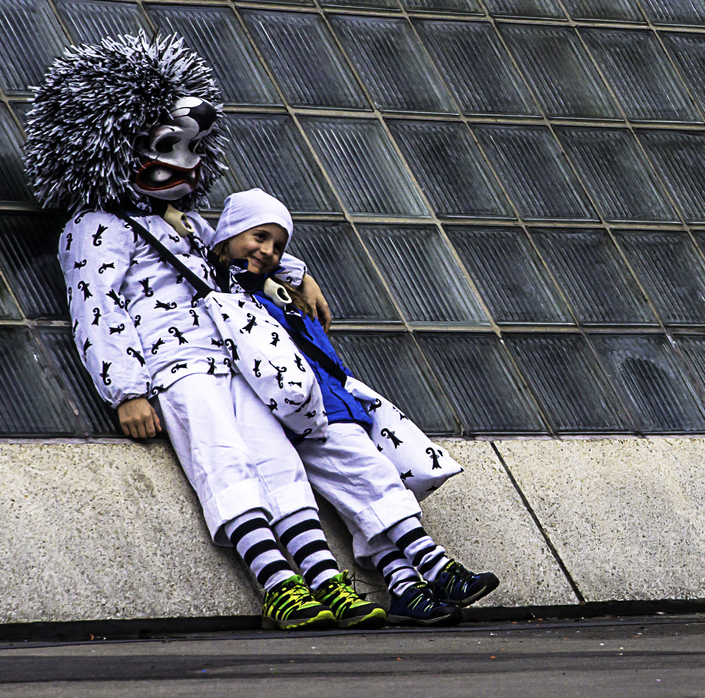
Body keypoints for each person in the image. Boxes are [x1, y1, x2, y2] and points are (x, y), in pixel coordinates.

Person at [28, 34, 464, 630]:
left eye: (190, 148)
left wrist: (297, 271)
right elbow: (95, 308)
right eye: (164, 145)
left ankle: (326, 582)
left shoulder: (187, 222)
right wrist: (126, 390)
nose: (180, 162)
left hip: (237, 364)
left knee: (278, 465)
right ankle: (278, 586)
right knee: (224, 466)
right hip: (176, 369)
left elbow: (236, 248)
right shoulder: (97, 226)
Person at [208, 189, 499, 612]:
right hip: (316, 409)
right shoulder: (226, 287)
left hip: (320, 405)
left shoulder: (272, 290)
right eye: (259, 236)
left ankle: (404, 586)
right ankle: (435, 568)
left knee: (360, 496)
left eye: (279, 245)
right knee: (374, 478)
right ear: (230, 233)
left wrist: (298, 275)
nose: (269, 251)